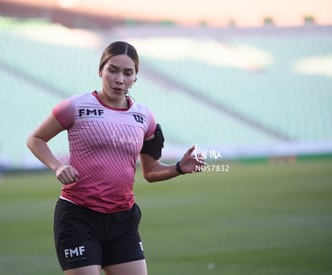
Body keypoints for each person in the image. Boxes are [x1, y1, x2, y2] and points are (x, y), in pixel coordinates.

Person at [26, 41, 206, 275]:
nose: (119, 79)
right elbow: (36, 139)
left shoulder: (144, 117)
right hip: (79, 216)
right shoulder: (75, 107)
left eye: (127, 73)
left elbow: (150, 172)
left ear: (135, 78)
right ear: (101, 70)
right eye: (113, 70)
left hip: (123, 220)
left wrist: (179, 168)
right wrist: (57, 166)